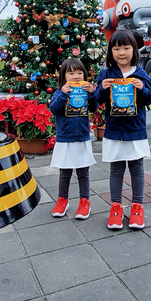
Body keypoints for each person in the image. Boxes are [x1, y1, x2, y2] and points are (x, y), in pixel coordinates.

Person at [94, 29, 151, 230]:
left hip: (135, 130)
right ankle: (116, 207)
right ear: (111, 51)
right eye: (116, 48)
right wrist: (101, 88)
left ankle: (138, 207)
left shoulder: (141, 73)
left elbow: (149, 99)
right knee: (116, 169)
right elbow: (96, 101)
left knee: (137, 168)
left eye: (126, 48)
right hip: (113, 131)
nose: (121, 53)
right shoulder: (106, 75)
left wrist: (142, 89)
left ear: (133, 50)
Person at [48, 58, 97, 219]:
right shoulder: (59, 93)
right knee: (65, 171)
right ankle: (63, 200)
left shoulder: (85, 90)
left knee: (83, 171)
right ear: (64, 76)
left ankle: (84, 201)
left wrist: (92, 93)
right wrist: (63, 93)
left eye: (79, 72)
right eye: (71, 73)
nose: (76, 76)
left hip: (82, 137)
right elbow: (54, 109)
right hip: (65, 138)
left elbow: (94, 107)